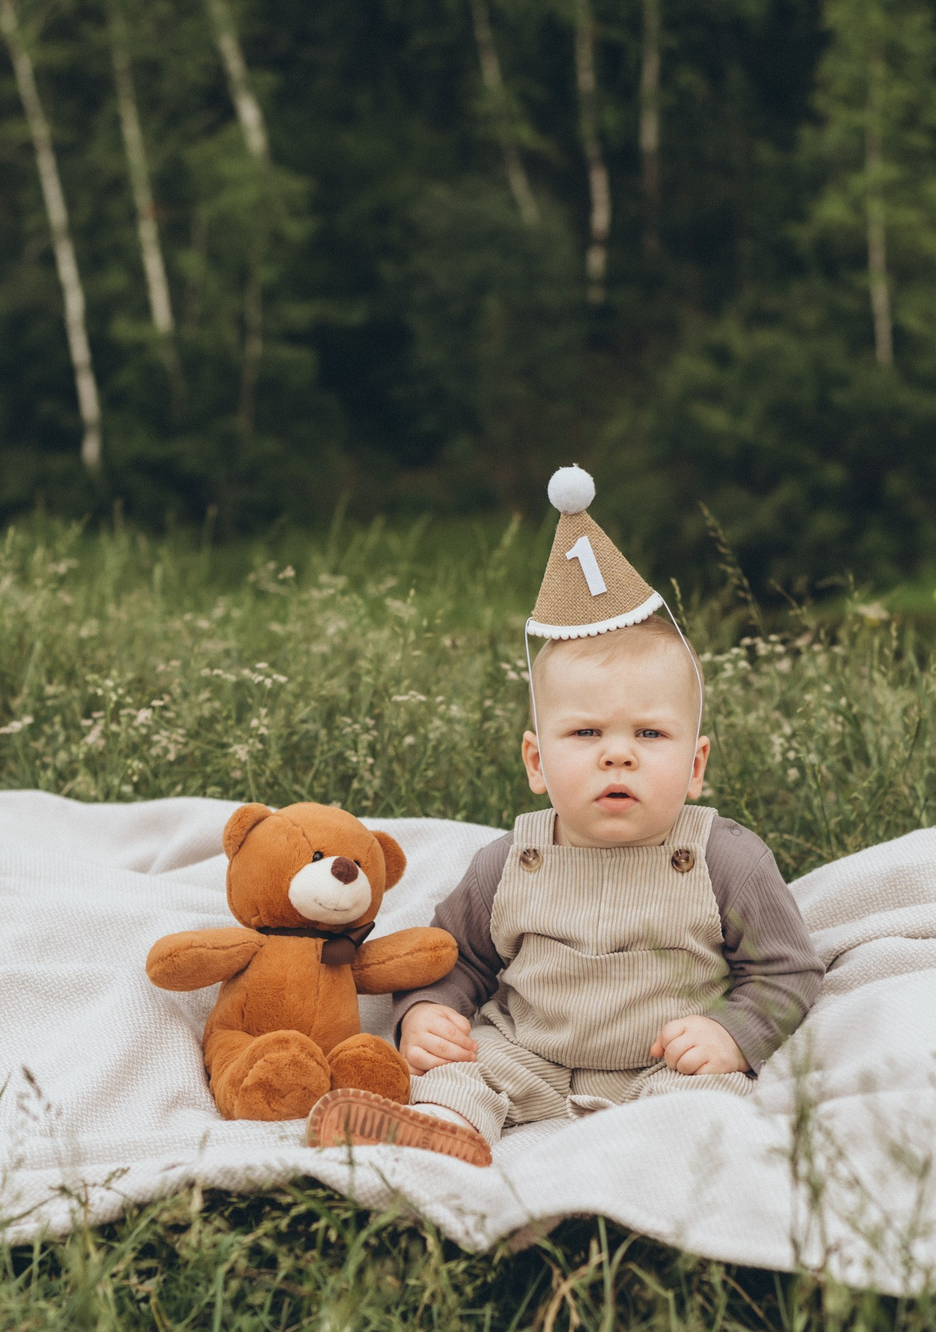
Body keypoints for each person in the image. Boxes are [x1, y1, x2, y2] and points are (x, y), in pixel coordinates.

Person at [307, 467, 823, 1157]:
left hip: (665, 1061)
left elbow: (787, 972)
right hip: (528, 1052)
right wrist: (426, 1013)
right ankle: (439, 1132)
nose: (618, 755)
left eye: (650, 733)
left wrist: (733, 1033)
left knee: (704, 1101)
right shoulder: (509, 862)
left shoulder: (724, 859)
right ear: (536, 761)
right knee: (462, 1067)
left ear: (696, 765)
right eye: (585, 733)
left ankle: (648, 1161)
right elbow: (457, 958)